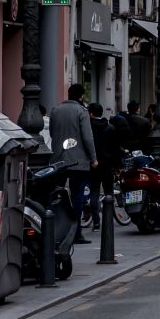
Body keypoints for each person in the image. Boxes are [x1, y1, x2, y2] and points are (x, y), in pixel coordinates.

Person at [49, 84, 96, 245]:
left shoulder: (55, 110)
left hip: (58, 160)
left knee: (57, 195)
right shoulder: (81, 111)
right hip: (78, 161)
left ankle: (57, 229)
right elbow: (88, 137)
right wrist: (93, 158)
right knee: (78, 196)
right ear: (81, 96)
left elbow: (52, 133)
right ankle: (76, 232)